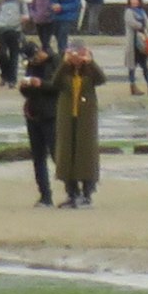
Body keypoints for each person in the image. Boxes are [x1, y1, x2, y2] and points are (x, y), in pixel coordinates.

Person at [55, 44, 104, 208]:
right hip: (68, 118)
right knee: (67, 155)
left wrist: (90, 62)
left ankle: (87, 193)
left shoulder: (90, 73)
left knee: (86, 154)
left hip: (85, 119)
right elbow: (55, 82)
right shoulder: (65, 72)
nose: (76, 58)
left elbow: (101, 79)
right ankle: (72, 192)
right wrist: (64, 63)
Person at [21, 41, 65, 206]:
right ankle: (45, 195)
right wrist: (25, 86)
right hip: (34, 114)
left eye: (34, 57)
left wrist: (41, 84)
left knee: (57, 154)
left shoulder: (56, 61)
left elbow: (59, 86)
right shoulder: (31, 66)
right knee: (38, 157)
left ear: (40, 51)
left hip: (52, 115)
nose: (33, 61)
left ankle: (72, 190)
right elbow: (26, 92)